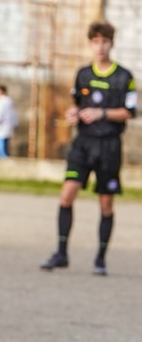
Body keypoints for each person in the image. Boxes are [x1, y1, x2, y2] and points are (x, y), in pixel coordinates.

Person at [41, 21, 137, 276]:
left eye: (104, 42)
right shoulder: (83, 74)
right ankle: (61, 253)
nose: (100, 47)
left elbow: (129, 112)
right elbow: (75, 105)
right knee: (67, 194)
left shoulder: (124, 77)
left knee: (106, 203)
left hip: (108, 146)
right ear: (90, 44)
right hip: (83, 144)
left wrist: (102, 112)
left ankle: (100, 258)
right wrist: (72, 113)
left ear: (111, 44)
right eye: (95, 42)